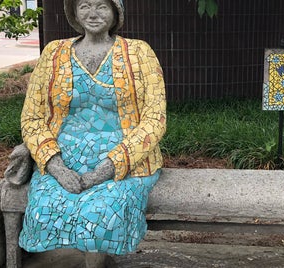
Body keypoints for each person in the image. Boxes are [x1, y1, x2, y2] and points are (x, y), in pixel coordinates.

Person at [17, 0, 166, 266]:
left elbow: (155, 120)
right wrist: (56, 167)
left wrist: (105, 170)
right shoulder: (53, 52)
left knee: (102, 211)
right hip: (63, 160)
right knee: (45, 209)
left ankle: (95, 265)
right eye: (85, 5)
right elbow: (32, 118)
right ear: (73, 12)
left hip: (125, 164)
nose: (93, 14)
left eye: (102, 6)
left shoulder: (140, 52)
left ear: (116, 12)